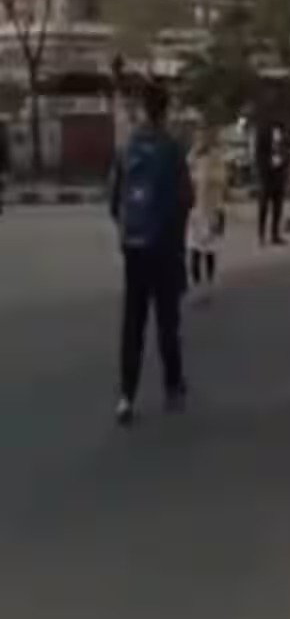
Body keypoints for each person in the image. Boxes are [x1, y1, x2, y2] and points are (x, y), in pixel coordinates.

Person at [109, 82, 194, 426]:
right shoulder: (172, 149)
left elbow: (114, 202)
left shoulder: (126, 148)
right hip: (165, 248)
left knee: (133, 323)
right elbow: (186, 199)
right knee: (167, 321)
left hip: (135, 247)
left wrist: (128, 233)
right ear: (166, 110)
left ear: (142, 109)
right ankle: (172, 387)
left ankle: (126, 397)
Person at [187, 123, 228, 302]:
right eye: (198, 137)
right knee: (194, 249)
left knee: (210, 249)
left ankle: (209, 284)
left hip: (212, 209)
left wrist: (207, 176)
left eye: (203, 137)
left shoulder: (216, 158)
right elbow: (184, 178)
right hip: (194, 211)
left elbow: (222, 179)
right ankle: (196, 285)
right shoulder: (191, 157)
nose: (200, 140)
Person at [254, 112, 288, 246]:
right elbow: (259, 152)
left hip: (279, 171)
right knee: (264, 204)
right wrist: (264, 168)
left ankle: (275, 234)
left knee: (278, 204)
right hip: (267, 173)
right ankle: (261, 234)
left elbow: (286, 148)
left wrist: (284, 161)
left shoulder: (283, 131)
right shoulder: (263, 131)